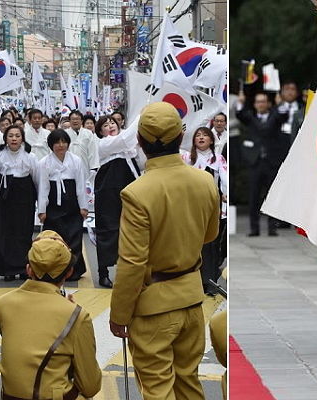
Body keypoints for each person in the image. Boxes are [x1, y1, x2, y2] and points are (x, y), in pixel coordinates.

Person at [110, 102, 220, 400]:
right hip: (191, 297)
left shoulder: (137, 193)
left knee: (158, 390)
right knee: (189, 384)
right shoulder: (205, 180)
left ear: (140, 141)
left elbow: (132, 263)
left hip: (154, 307)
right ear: (181, 135)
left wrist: (119, 315)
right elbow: (210, 235)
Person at [0, 230, 102, 400]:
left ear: (29, 269)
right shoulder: (77, 316)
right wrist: (67, 307)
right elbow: (90, 386)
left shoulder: (1, 304)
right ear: (69, 272)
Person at [0, 125, 39, 281]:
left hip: (24, 197)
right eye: (11, 136)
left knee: (23, 232)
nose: (14, 139)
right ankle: (6, 269)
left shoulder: (30, 157)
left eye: (17, 136)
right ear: (5, 138)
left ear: (22, 138)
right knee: (2, 232)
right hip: (2, 198)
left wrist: (42, 201)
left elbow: (37, 180)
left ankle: (23, 267)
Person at [93, 116, 139, 288]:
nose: (110, 126)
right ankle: (103, 273)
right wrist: (141, 115)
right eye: (105, 125)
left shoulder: (129, 147)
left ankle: (129, 272)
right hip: (108, 190)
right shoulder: (104, 144)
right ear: (100, 131)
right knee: (108, 230)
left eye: (113, 123)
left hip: (130, 187)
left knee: (132, 230)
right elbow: (125, 139)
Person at [235, 91, 289, 236]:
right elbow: (240, 114)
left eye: (263, 101)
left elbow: (284, 115)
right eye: (258, 102)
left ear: (268, 104)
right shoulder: (250, 118)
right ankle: (254, 229)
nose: (261, 104)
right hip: (255, 162)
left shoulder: (275, 116)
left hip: (271, 162)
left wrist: (281, 103)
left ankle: (272, 228)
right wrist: (240, 101)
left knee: (271, 196)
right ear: (254, 104)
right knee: (253, 196)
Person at [38, 129, 89, 281]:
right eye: (57, 142)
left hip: (72, 203)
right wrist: (42, 210)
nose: (61, 145)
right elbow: (43, 188)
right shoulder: (44, 163)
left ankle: (74, 270)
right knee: (54, 238)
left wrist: (83, 207)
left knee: (74, 237)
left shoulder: (76, 160)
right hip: (53, 204)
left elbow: (81, 185)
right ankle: (54, 270)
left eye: (63, 141)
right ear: (51, 145)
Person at [181, 127, 227, 295]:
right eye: (198, 135)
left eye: (205, 135)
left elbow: (225, 177)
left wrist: (226, 193)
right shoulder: (186, 158)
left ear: (211, 140)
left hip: (211, 205)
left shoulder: (218, 159)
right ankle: (190, 281)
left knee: (210, 242)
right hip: (190, 205)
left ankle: (209, 281)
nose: (201, 138)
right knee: (191, 243)